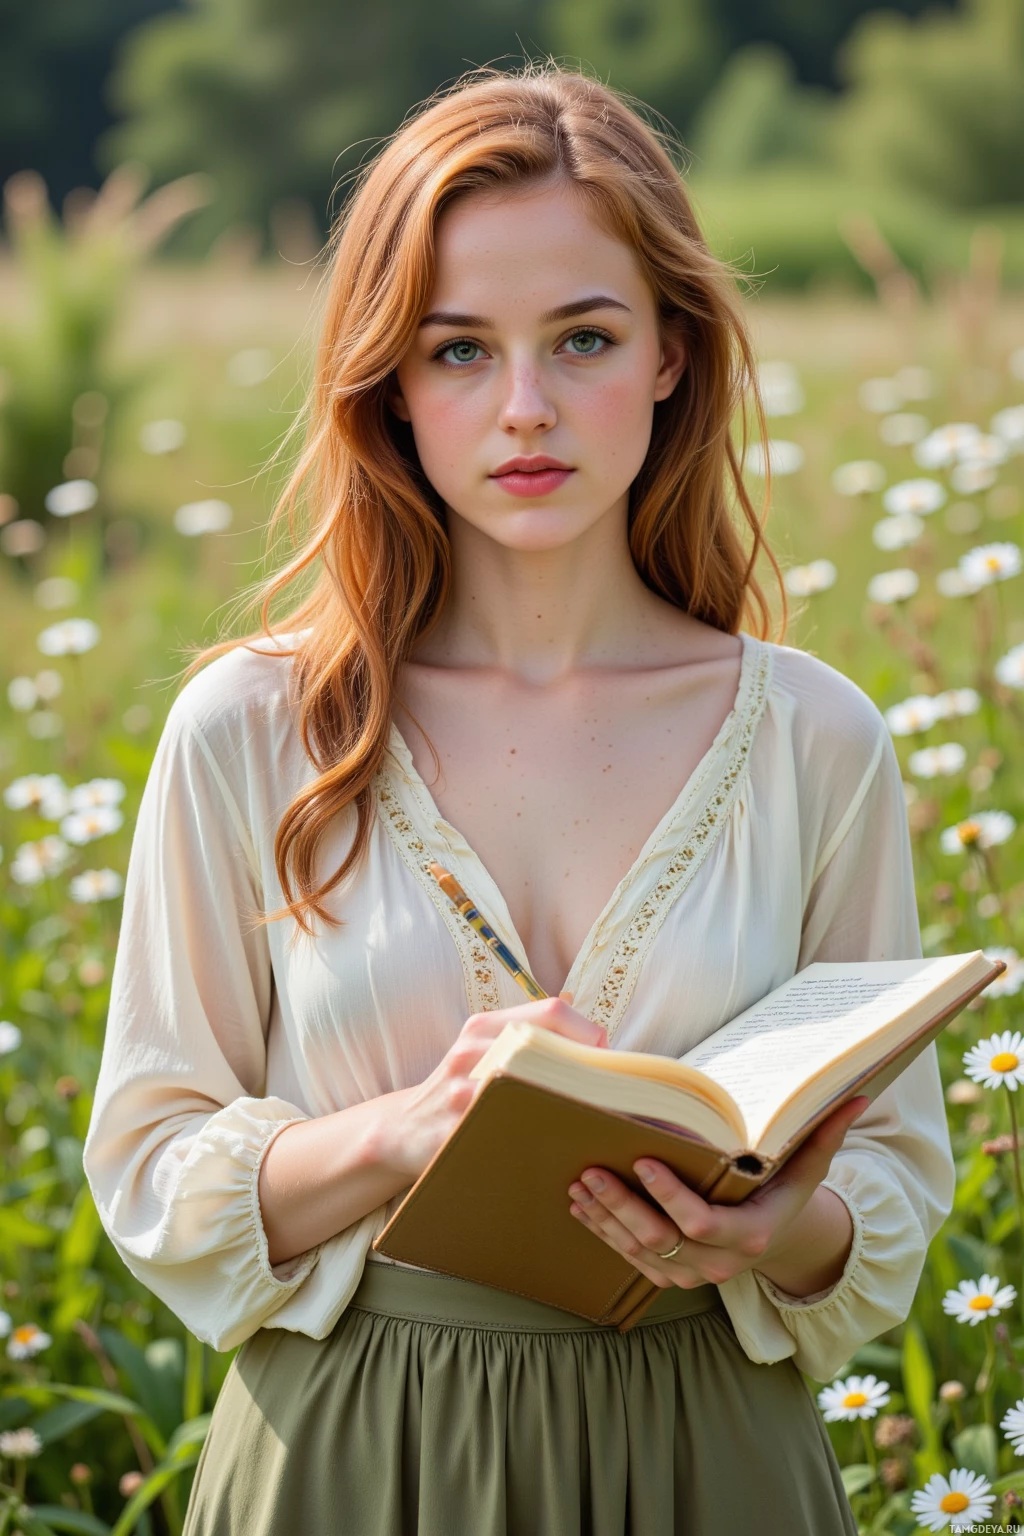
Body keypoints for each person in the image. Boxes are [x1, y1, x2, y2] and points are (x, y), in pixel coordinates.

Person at [83, 65, 955, 1536]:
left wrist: (774, 1225)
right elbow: (151, 1165)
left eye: (585, 338)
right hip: (348, 1456)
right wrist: (401, 1138)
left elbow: (892, 1182)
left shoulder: (815, 735)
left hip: (708, 1455)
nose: (528, 408)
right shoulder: (252, 728)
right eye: (460, 351)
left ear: (674, 353)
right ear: (389, 380)